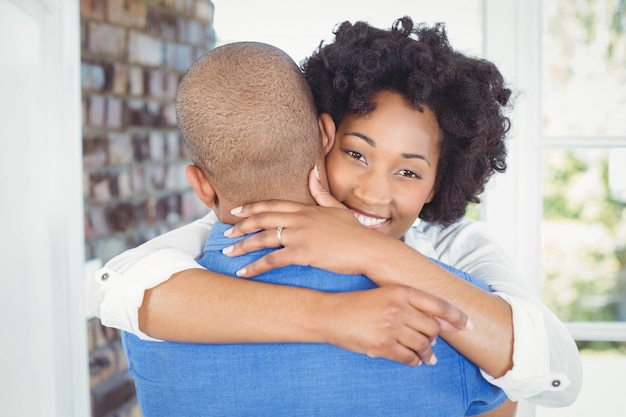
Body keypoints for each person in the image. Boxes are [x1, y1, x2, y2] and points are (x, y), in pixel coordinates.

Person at [91, 17, 582, 407]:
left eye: (408, 172)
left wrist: (369, 252)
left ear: (439, 183)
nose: (372, 192)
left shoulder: (461, 247)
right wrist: (334, 315)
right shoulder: (227, 233)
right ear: (323, 137)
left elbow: (557, 377)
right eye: (357, 154)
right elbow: (118, 290)